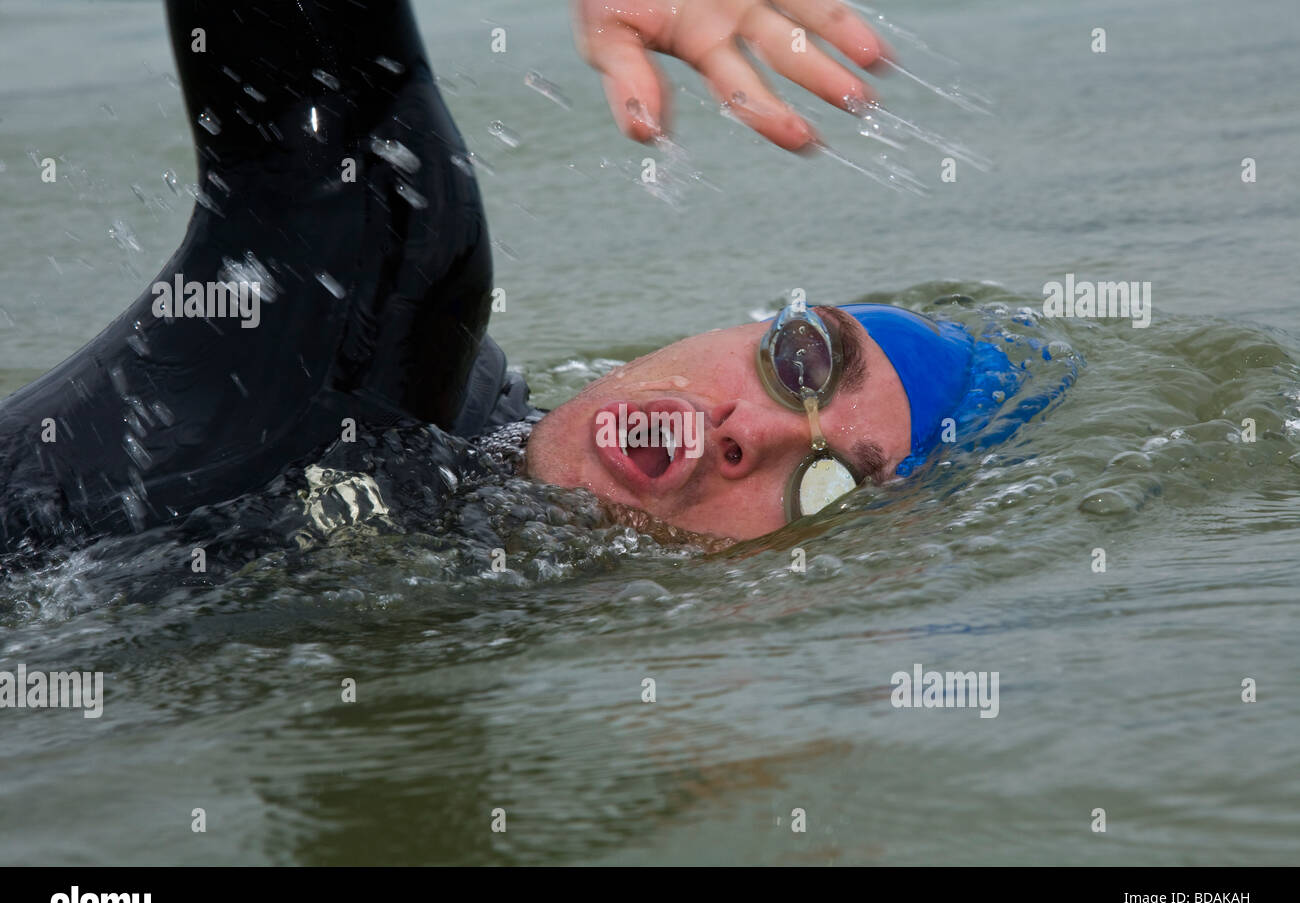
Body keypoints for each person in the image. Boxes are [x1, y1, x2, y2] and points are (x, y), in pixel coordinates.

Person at [0, 0, 1029, 558]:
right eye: (801, 361)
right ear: (745, 323)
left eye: (823, 484)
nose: (748, 431)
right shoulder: (378, 323)